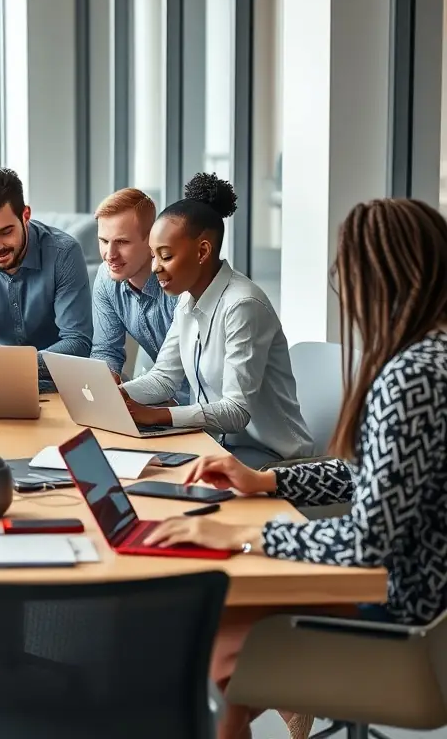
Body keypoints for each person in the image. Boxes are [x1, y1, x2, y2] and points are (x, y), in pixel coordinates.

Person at [144, 197, 447, 739]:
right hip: (412, 593)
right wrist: (267, 481)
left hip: (405, 613)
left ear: (384, 280)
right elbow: (371, 475)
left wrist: (247, 537)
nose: (342, 289)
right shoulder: (430, 360)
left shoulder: (412, 378)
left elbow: (366, 544)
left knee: (212, 630)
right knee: (226, 631)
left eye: (347, 274)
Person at [119, 173, 312, 467]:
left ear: (203, 251)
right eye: (153, 256)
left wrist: (159, 415)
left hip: (269, 459)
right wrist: (113, 396)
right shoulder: (186, 299)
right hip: (213, 445)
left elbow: (235, 411)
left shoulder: (243, 306)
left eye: (166, 256)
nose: (155, 267)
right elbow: (163, 379)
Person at [0, 168, 93, 391]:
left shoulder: (64, 253)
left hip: (58, 384)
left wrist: (7, 362)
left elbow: (77, 343)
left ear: (26, 215)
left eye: (6, 232)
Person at [90, 187, 188, 403]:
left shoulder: (181, 285)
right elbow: (106, 351)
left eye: (122, 242)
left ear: (151, 240)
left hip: (205, 406)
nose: (110, 255)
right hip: (159, 398)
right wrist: (99, 391)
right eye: (104, 241)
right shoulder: (106, 280)